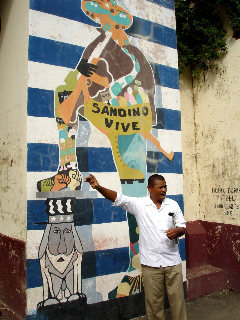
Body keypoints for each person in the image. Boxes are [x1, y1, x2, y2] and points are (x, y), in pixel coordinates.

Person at [85, 173, 187, 320]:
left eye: (165, 187)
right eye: (160, 187)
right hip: (151, 264)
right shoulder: (140, 205)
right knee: (154, 304)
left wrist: (177, 231)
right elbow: (118, 198)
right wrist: (98, 187)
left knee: (178, 302)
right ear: (149, 188)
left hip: (173, 262)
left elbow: (182, 227)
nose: (164, 190)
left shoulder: (173, 204)